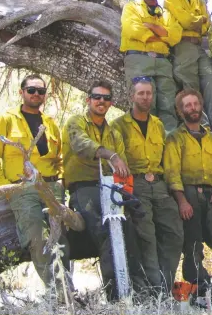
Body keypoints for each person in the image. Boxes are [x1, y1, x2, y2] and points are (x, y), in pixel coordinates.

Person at [0, 74, 69, 291]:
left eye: (40, 91)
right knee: (37, 237)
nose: (36, 94)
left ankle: (69, 289)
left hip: (51, 188)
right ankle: (58, 292)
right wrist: (6, 189)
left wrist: (61, 181)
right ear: (22, 92)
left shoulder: (50, 123)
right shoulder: (6, 119)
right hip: (22, 188)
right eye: (31, 90)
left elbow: (60, 157)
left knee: (61, 240)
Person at [164, 89, 212, 300]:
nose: (193, 108)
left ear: (201, 107)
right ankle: (199, 289)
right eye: (187, 105)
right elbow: (172, 172)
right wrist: (181, 201)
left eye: (195, 104)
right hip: (188, 195)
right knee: (193, 244)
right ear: (181, 111)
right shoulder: (175, 139)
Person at [113, 78, 183, 295]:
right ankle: (154, 292)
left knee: (174, 233)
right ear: (132, 96)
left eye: (149, 93)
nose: (145, 97)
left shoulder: (158, 124)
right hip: (137, 185)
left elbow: (166, 160)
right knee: (147, 237)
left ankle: (165, 283)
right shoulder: (119, 125)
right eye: (141, 93)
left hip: (160, 186)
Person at [62, 80, 130, 300]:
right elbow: (81, 144)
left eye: (106, 98)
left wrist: (127, 192)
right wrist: (109, 154)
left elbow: (123, 168)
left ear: (111, 103)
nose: (102, 101)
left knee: (125, 233)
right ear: (88, 99)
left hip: (111, 189)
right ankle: (115, 298)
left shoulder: (114, 134)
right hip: (84, 187)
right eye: (97, 97)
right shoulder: (76, 122)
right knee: (105, 234)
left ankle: (130, 292)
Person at [163, 0, 212, 132]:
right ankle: (202, 126)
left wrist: (198, 22)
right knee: (190, 85)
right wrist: (199, 20)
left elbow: (207, 26)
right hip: (183, 46)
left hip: (199, 46)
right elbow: (186, 21)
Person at [120, 0, 182, 131]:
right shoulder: (131, 8)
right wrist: (162, 35)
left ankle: (170, 145)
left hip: (163, 62)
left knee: (168, 106)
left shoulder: (166, 14)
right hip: (139, 60)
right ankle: (147, 148)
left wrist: (152, 27)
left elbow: (176, 35)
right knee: (145, 106)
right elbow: (132, 30)